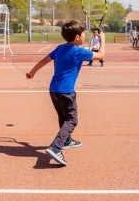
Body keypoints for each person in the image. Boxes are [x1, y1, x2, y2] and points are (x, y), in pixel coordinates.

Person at [26, 19, 105, 166]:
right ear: (77, 37)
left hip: (53, 90)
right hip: (66, 91)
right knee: (72, 120)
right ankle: (55, 147)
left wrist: (32, 72)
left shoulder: (60, 48)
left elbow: (44, 60)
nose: (84, 36)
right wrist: (103, 39)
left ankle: (67, 140)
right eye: (83, 34)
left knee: (63, 117)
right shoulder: (78, 52)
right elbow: (100, 55)